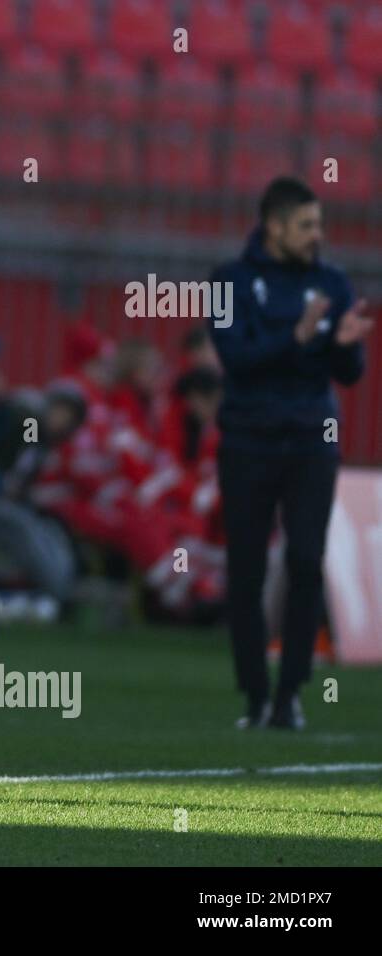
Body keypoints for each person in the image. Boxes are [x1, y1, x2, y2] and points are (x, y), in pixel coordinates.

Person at [209, 176, 373, 731]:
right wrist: (299, 338)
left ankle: (290, 694)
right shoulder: (228, 283)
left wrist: (347, 347)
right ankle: (253, 692)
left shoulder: (331, 282)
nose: (317, 235)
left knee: (306, 561)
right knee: (247, 569)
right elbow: (237, 360)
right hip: (248, 441)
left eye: (319, 224)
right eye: (306, 225)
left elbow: (348, 374)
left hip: (311, 441)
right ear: (274, 226)